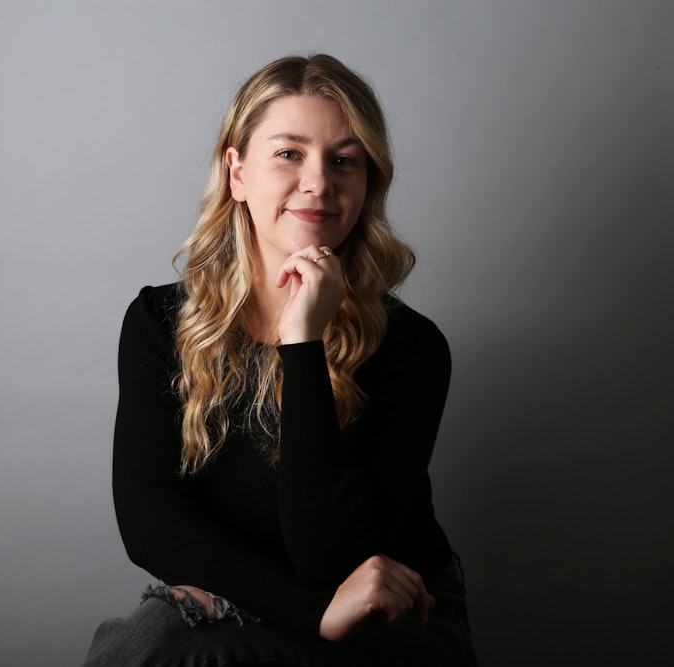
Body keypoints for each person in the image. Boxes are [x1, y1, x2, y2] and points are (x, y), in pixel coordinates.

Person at [83, 53, 476, 666]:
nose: (319, 181)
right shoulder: (160, 323)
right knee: (140, 650)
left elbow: (329, 556)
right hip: (244, 593)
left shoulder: (412, 347)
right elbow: (148, 515)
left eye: (344, 160)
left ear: (367, 182)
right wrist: (306, 611)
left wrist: (303, 343)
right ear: (237, 173)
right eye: (289, 153)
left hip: (382, 607)